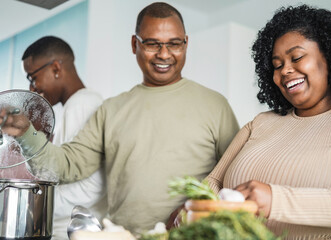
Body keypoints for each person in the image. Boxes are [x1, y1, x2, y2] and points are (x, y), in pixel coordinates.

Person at [0, 2, 239, 234]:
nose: (164, 54)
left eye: (174, 44)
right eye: (153, 44)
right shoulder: (111, 110)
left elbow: (235, 180)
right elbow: (65, 166)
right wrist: (25, 131)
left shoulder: (215, 106)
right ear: (135, 44)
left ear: (186, 43)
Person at [205, 5, 331, 239]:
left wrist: (275, 200)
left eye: (296, 57)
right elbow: (214, 181)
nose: (285, 71)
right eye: (277, 65)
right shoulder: (261, 122)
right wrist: (193, 209)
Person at [22, 36, 106, 240]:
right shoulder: (76, 105)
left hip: (73, 230)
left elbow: (90, 188)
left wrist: (33, 207)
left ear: (56, 68)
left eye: (33, 78)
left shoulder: (82, 105)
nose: (32, 88)